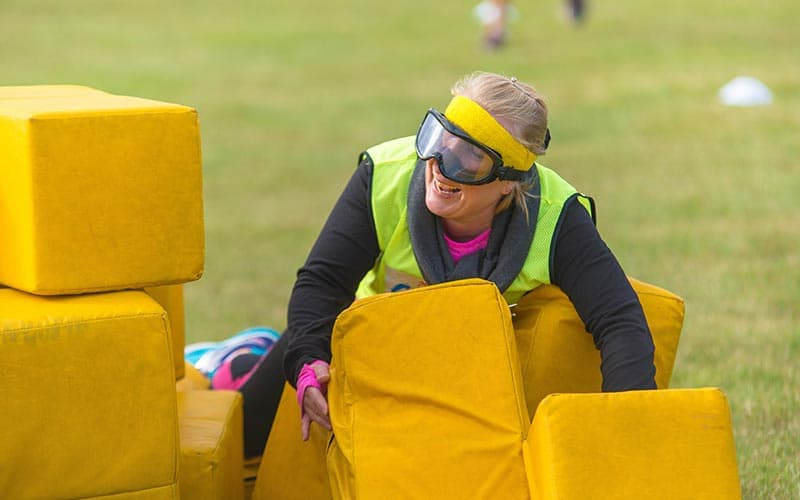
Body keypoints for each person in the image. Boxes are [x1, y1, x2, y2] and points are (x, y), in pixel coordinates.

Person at [216, 71, 656, 457]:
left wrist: (623, 426)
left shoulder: (557, 217)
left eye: (468, 157)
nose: (439, 166)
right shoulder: (386, 172)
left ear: (507, 182)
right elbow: (323, 281)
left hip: (471, 376)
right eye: (438, 140)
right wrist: (310, 362)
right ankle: (237, 358)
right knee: (242, 442)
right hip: (369, 345)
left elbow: (618, 319)